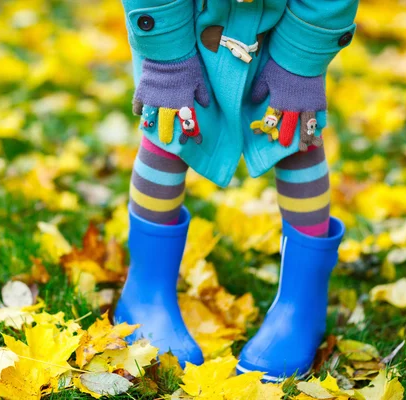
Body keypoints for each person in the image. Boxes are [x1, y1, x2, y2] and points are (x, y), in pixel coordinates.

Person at [114, 0, 359, 381]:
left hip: (287, 26)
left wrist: (302, 56)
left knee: (295, 134)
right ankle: (145, 292)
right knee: (169, 126)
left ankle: (303, 304)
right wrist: (165, 54)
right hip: (182, 24)